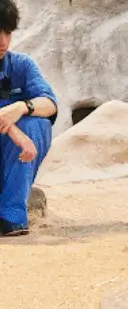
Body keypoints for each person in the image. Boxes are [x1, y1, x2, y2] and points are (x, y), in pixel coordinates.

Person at [0, 0, 57, 237]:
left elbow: (50, 104)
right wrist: (14, 131)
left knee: (37, 123)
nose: (3, 41)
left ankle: (11, 216)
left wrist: (23, 106)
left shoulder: (21, 65)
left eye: (8, 32)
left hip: (8, 159)